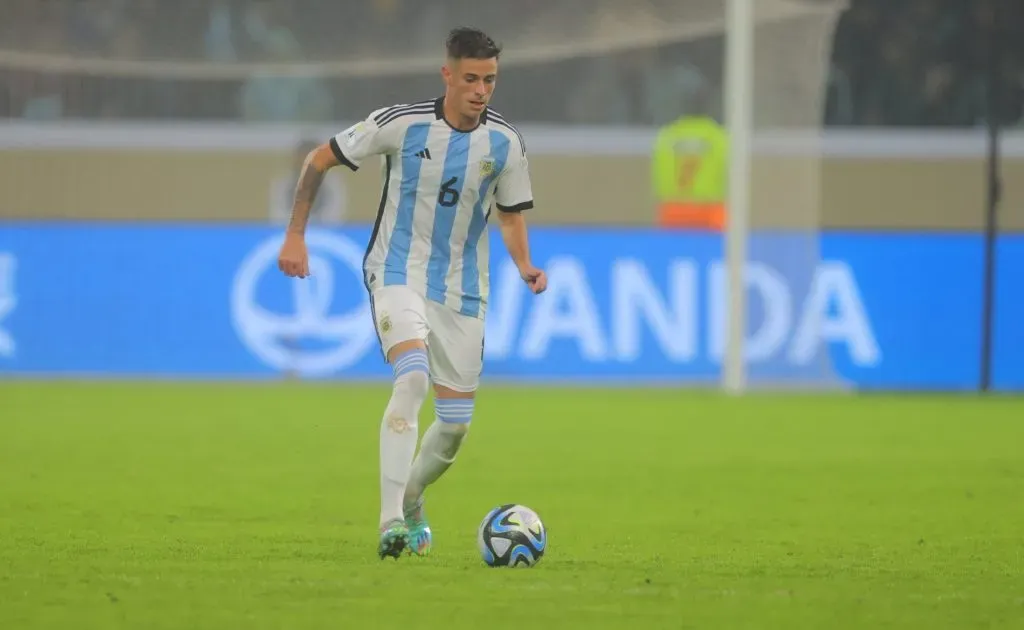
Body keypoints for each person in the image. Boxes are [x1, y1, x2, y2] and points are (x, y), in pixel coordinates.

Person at [277, 27, 547, 559]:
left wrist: (524, 264)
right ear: (448, 74)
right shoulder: (401, 124)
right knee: (413, 376)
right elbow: (318, 159)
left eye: (490, 80)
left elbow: (511, 214)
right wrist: (295, 234)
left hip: (462, 292)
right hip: (396, 272)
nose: (481, 90)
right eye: (470, 78)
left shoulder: (506, 143)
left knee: (454, 429)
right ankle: (390, 522)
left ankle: (413, 496)